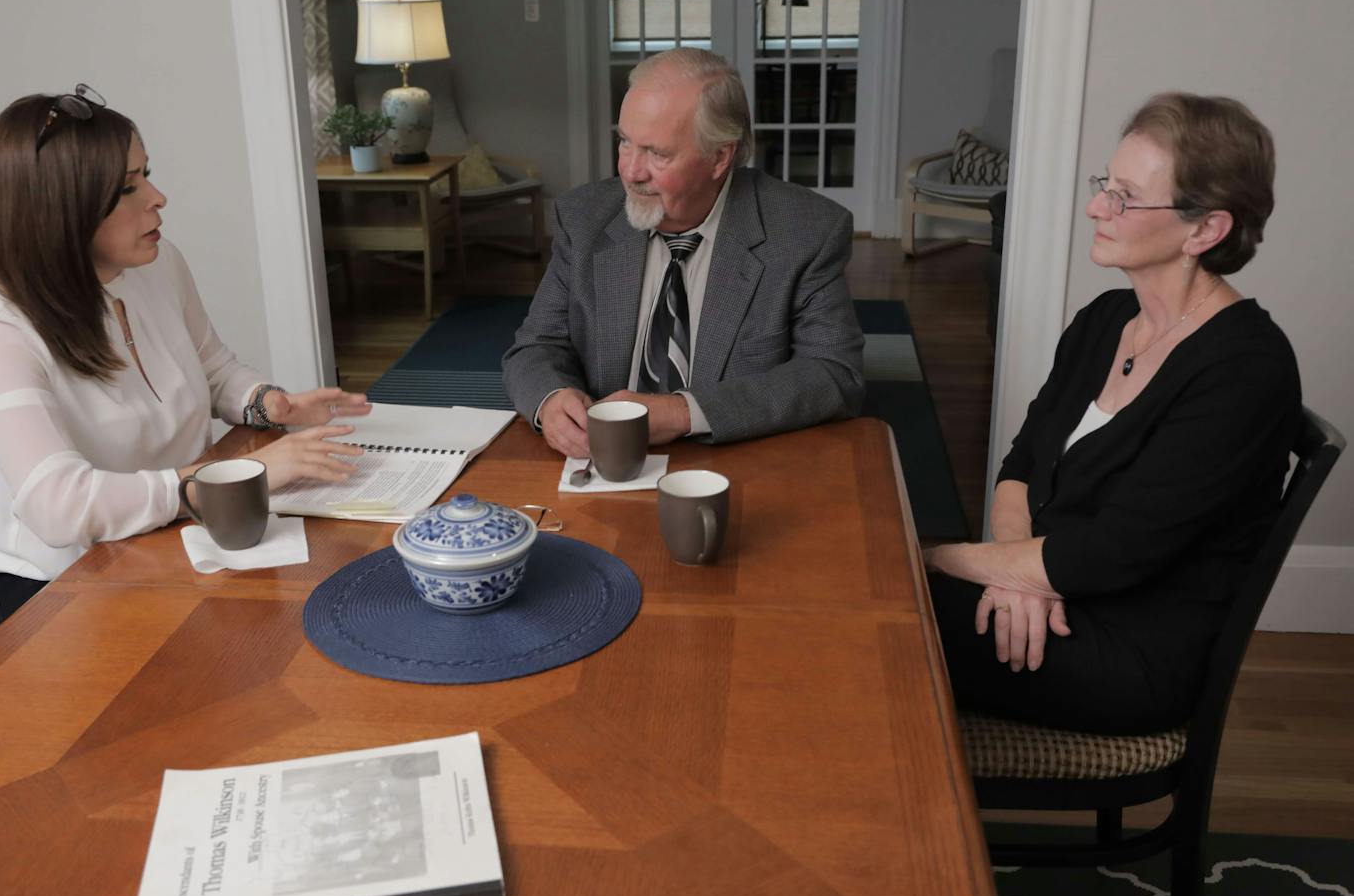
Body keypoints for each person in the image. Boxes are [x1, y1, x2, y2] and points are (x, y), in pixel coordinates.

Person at [924, 92, 1300, 735]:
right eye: (1105, 184)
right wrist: (1018, 575)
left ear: (1204, 229)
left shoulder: (1246, 371)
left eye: (1125, 196)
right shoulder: (1104, 321)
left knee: (878, 601)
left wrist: (929, 558)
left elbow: (1104, 558)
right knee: (864, 608)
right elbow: (1020, 465)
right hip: (1052, 602)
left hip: (1127, 654)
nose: (1097, 206)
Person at [0, 85, 370, 619]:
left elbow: (213, 368)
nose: (157, 197)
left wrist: (269, 403)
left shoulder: (158, 264)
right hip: (63, 592)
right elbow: (57, 506)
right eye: (128, 188)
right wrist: (229, 479)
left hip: (172, 540)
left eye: (147, 173)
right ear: (61, 209)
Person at [501, 48, 864, 456]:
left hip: (738, 462)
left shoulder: (806, 232)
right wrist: (550, 400)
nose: (631, 172)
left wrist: (680, 413)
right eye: (624, 143)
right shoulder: (583, 219)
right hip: (599, 467)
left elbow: (835, 374)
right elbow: (535, 346)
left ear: (719, 157)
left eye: (657, 153)